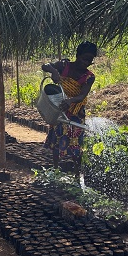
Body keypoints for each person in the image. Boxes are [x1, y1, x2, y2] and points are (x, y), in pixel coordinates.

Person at [41, 41, 97, 176]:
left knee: (76, 143)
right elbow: (45, 66)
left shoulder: (89, 77)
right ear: (78, 55)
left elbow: (82, 95)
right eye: (84, 58)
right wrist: (54, 71)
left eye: (90, 60)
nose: (86, 62)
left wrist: (70, 101)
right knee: (57, 137)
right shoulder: (64, 65)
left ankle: (77, 174)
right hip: (59, 108)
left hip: (76, 111)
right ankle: (56, 170)